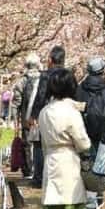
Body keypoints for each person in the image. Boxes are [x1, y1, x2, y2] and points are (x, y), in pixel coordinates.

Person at [38, 68, 91, 209]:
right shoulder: (71, 112)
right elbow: (83, 143)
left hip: (51, 162)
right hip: (68, 163)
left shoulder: (45, 111)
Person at [74, 56, 105, 209]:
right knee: (101, 164)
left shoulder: (80, 89)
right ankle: (98, 196)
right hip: (104, 132)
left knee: (86, 165)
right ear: (102, 71)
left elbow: (76, 112)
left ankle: (90, 204)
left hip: (83, 131)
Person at [29, 45, 67, 187]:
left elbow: (40, 96)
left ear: (50, 59)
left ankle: (39, 177)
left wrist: (34, 115)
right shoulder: (68, 74)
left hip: (46, 113)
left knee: (39, 145)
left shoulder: (45, 75)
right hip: (64, 113)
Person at [10, 54, 42, 179]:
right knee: (40, 145)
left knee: (27, 144)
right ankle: (39, 171)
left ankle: (28, 171)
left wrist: (15, 121)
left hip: (26, 118)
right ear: (38, 65)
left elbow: (16, 103)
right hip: (42, 119)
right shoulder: (45, 80)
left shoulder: (21, 81)